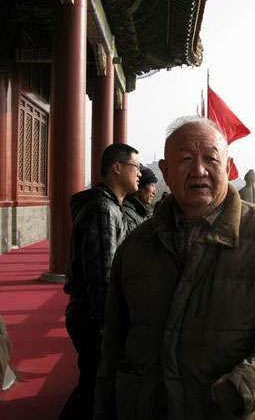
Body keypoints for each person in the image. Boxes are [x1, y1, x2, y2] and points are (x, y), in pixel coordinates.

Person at [94, 116, 255, 420]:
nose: (199, 171)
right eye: (186, 159)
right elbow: (113, 341)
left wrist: (246, 385)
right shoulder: (138, 245)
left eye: (210, 159)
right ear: (165, 171)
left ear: (228, 167)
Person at [61, 143, 141, 420]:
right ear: (117, 168)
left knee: (93, 382)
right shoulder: (103, 209)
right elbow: (102, 275)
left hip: (88, 313)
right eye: (136, 167)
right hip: (93, 317)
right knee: (93, 386)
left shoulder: (108, 206)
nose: (139, 173)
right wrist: (112, 325)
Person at [123, 164, 158, 230]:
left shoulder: (143, 213)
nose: (154, 192)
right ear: (139, 187)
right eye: (152, 185)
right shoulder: (128, 215)